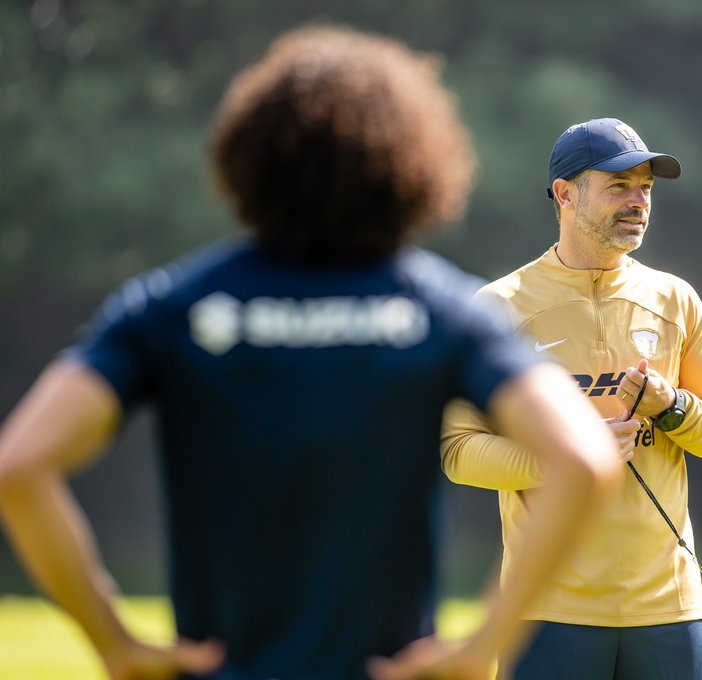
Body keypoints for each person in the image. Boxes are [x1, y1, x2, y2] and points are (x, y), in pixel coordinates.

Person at [0, 26, 621, 680]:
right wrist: (480, 646)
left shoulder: (169, 307)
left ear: (246, 157)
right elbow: (582, 460)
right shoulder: (439, 309)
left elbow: (18, 467)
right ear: (413, 161)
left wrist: (115, 643)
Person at [441, 117, 702, 680]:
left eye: (645, 187)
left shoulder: (675, 299)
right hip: (547, 610)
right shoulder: (499, 306)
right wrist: (570, 460)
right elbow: (457, 452)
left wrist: (673, 408)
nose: (638, 201)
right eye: (618, 185)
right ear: (565, 194)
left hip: (667, 609)